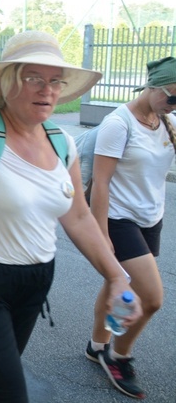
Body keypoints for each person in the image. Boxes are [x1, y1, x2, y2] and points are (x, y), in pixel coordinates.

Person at [0, 30, 142, 403]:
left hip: (32, 284)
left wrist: (116, 276)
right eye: (34, 78)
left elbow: (78, 217)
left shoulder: (62, 141)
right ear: (10, 81)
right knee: (5, 393)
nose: (47, 90)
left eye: (54, 81)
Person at [85, 55, 176, 399]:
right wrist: (101, 235)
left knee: (121, 284)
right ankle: (118, 356)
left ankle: (98, 345)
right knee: (151, 298)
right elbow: (102, 183)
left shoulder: (167, 120)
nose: (174, 104)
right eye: (173, 96)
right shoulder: (118, 123)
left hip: (150, 218)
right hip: (118, 219)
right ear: (153, 87)